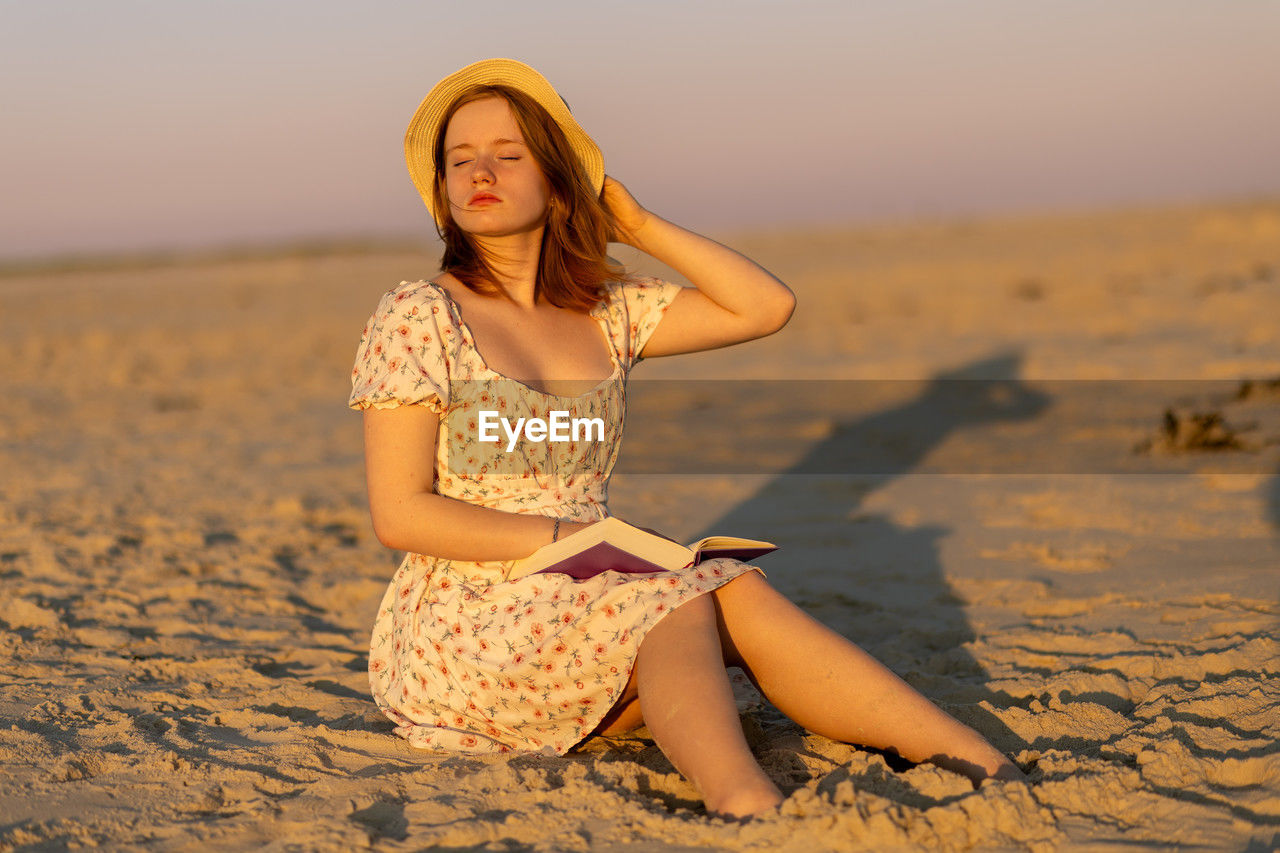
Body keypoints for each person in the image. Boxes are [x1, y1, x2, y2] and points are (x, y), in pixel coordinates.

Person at [349, 58, 1024, 819]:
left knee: (731, 586)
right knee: (672, 597)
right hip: (471, 621)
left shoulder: (606, 312)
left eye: (508, 155)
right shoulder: (421, 316)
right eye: (459, 159)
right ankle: (745, 802)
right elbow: (400, 514)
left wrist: (636, 224)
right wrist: (578, 537)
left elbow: (764, 306)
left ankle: (977, 763)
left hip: (586, 591)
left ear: (559, 179)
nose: (480, 171)